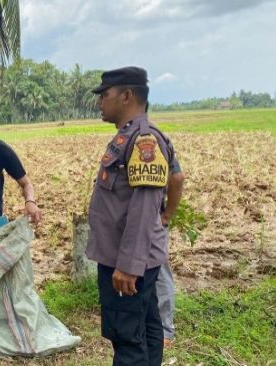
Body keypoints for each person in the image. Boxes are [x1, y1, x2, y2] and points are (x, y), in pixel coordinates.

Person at [86, 66, 175, 366]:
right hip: (131, 258)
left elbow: (144, 207)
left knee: (127, 338)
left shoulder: (143, 141)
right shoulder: (130, 137)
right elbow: (175, 180)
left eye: (105, 95)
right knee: (147, 328)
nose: (99, 102)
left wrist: (128, 265)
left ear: (126, 96)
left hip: (126, 263)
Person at [157, 157, 185, 347]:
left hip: (151, 223)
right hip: (126, 226)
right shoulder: (124, 138)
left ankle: (165, 331)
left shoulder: (152, 138)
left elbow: (177, 178)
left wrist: (166, 216)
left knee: (159, 272)